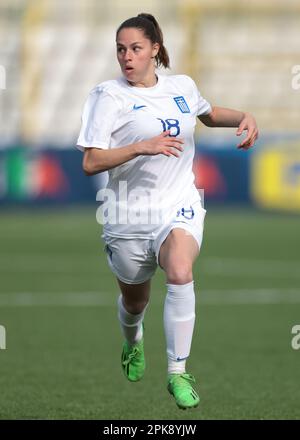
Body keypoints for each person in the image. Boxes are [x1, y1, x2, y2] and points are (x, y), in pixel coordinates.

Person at [76, 13, 258, 410]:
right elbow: (91, 162)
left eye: (136, 48)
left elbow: (207, 115)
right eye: (121, 49)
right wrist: (140, 146)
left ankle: (178, 372)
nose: (126, 56)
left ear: (155, 50)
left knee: (180, 269)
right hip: (127, 215)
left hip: (178, 205)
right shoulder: (108, 96)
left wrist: (243, 116)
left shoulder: (182, 86)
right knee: (135, 301)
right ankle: (132, 339)